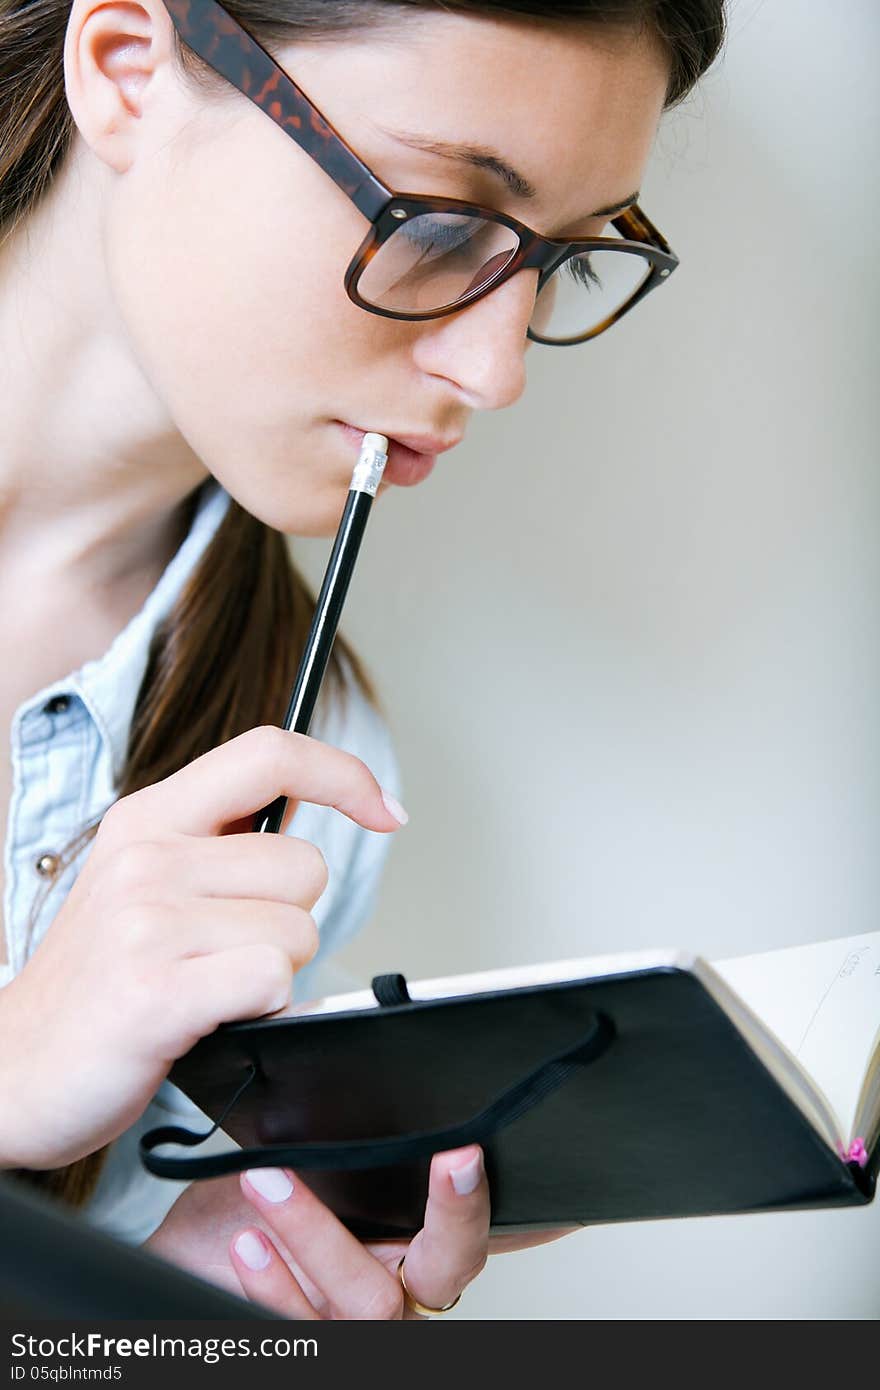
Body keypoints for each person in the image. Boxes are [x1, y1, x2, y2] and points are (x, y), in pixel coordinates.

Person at [0, 0, 725, 1319]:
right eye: (442, 225)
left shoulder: (296, 773)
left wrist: (153, 1313)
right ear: (125, 69)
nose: (498, 369)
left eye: (559, 262)